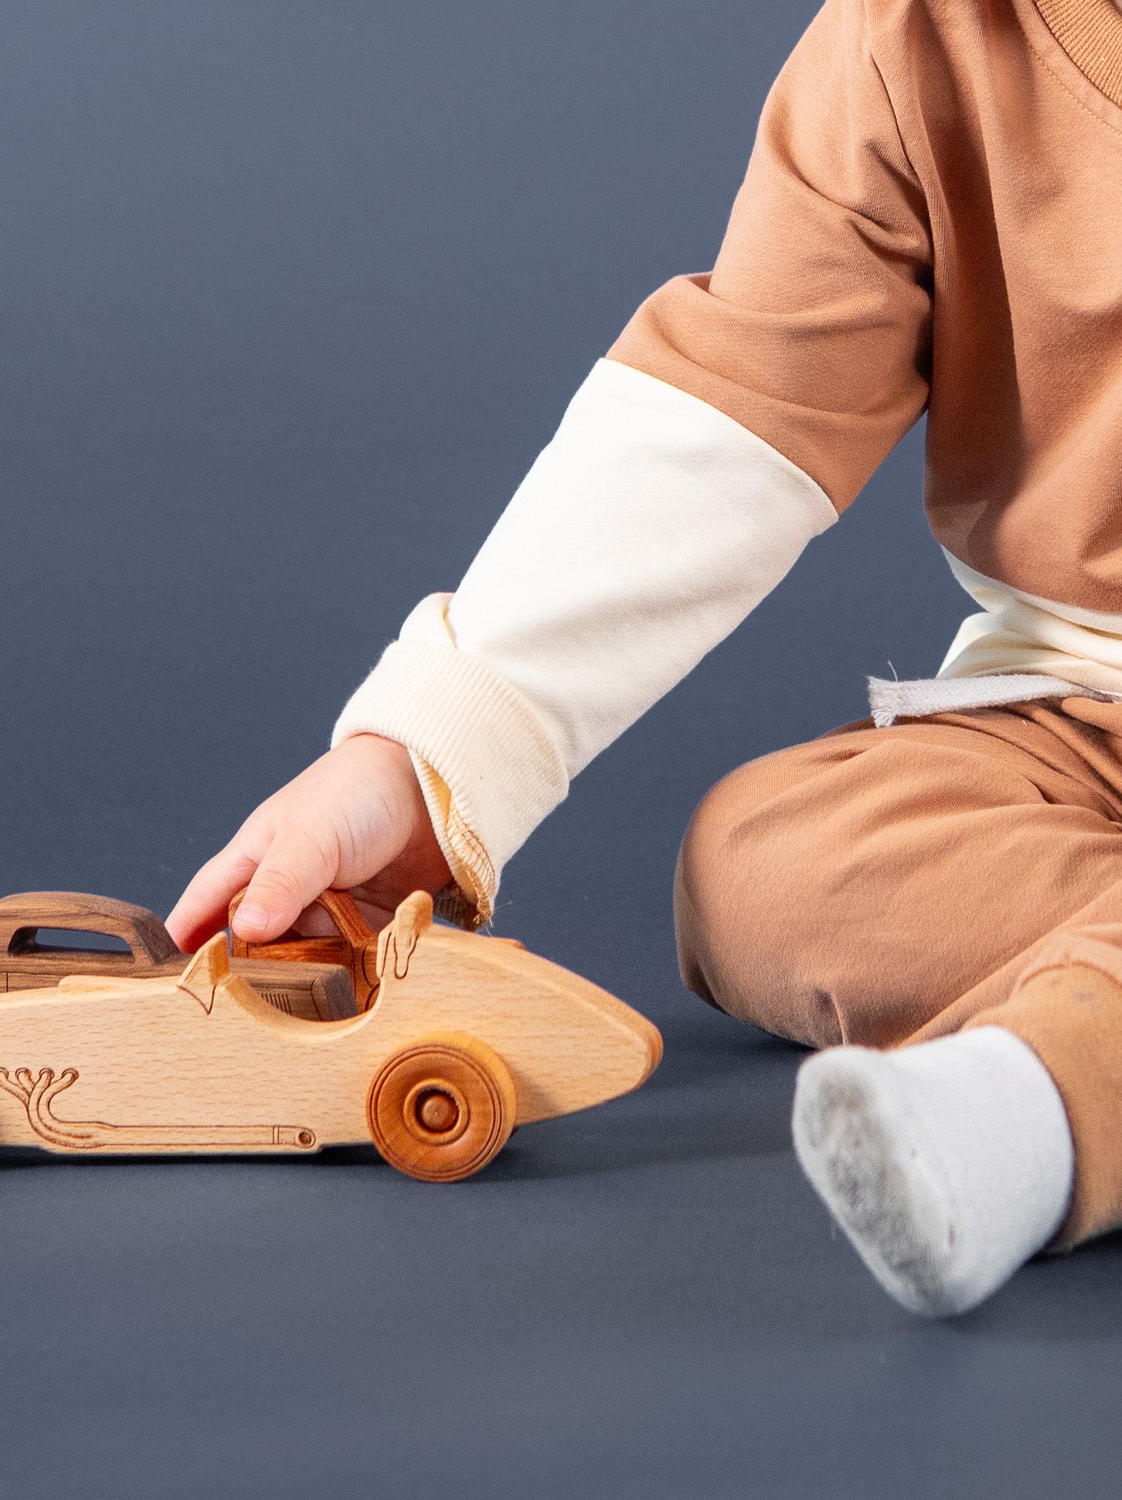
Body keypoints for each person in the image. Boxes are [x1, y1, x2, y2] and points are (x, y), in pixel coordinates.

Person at [166, 0, 1122, 1316]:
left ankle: (1045, 1104)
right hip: (1084, 704)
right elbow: (744, 405)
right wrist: (433, 746)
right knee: (765, 868)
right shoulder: (921, 36)